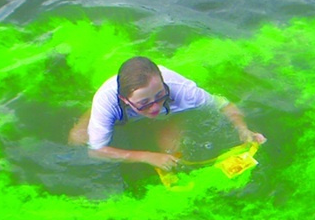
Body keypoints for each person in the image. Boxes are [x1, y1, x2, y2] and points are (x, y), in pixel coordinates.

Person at [68, 56, 266, 171]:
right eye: (144, 104)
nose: (154, 107)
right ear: (125, 100)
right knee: (77, 139)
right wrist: (146, 156)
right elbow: (96, 151)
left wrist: (243, 129)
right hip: (119, 114)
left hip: (169, 114)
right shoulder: (108, 99)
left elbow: (225, 105)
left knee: (172, 151)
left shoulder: (182, 90)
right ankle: (94, 113)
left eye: (159, 96)